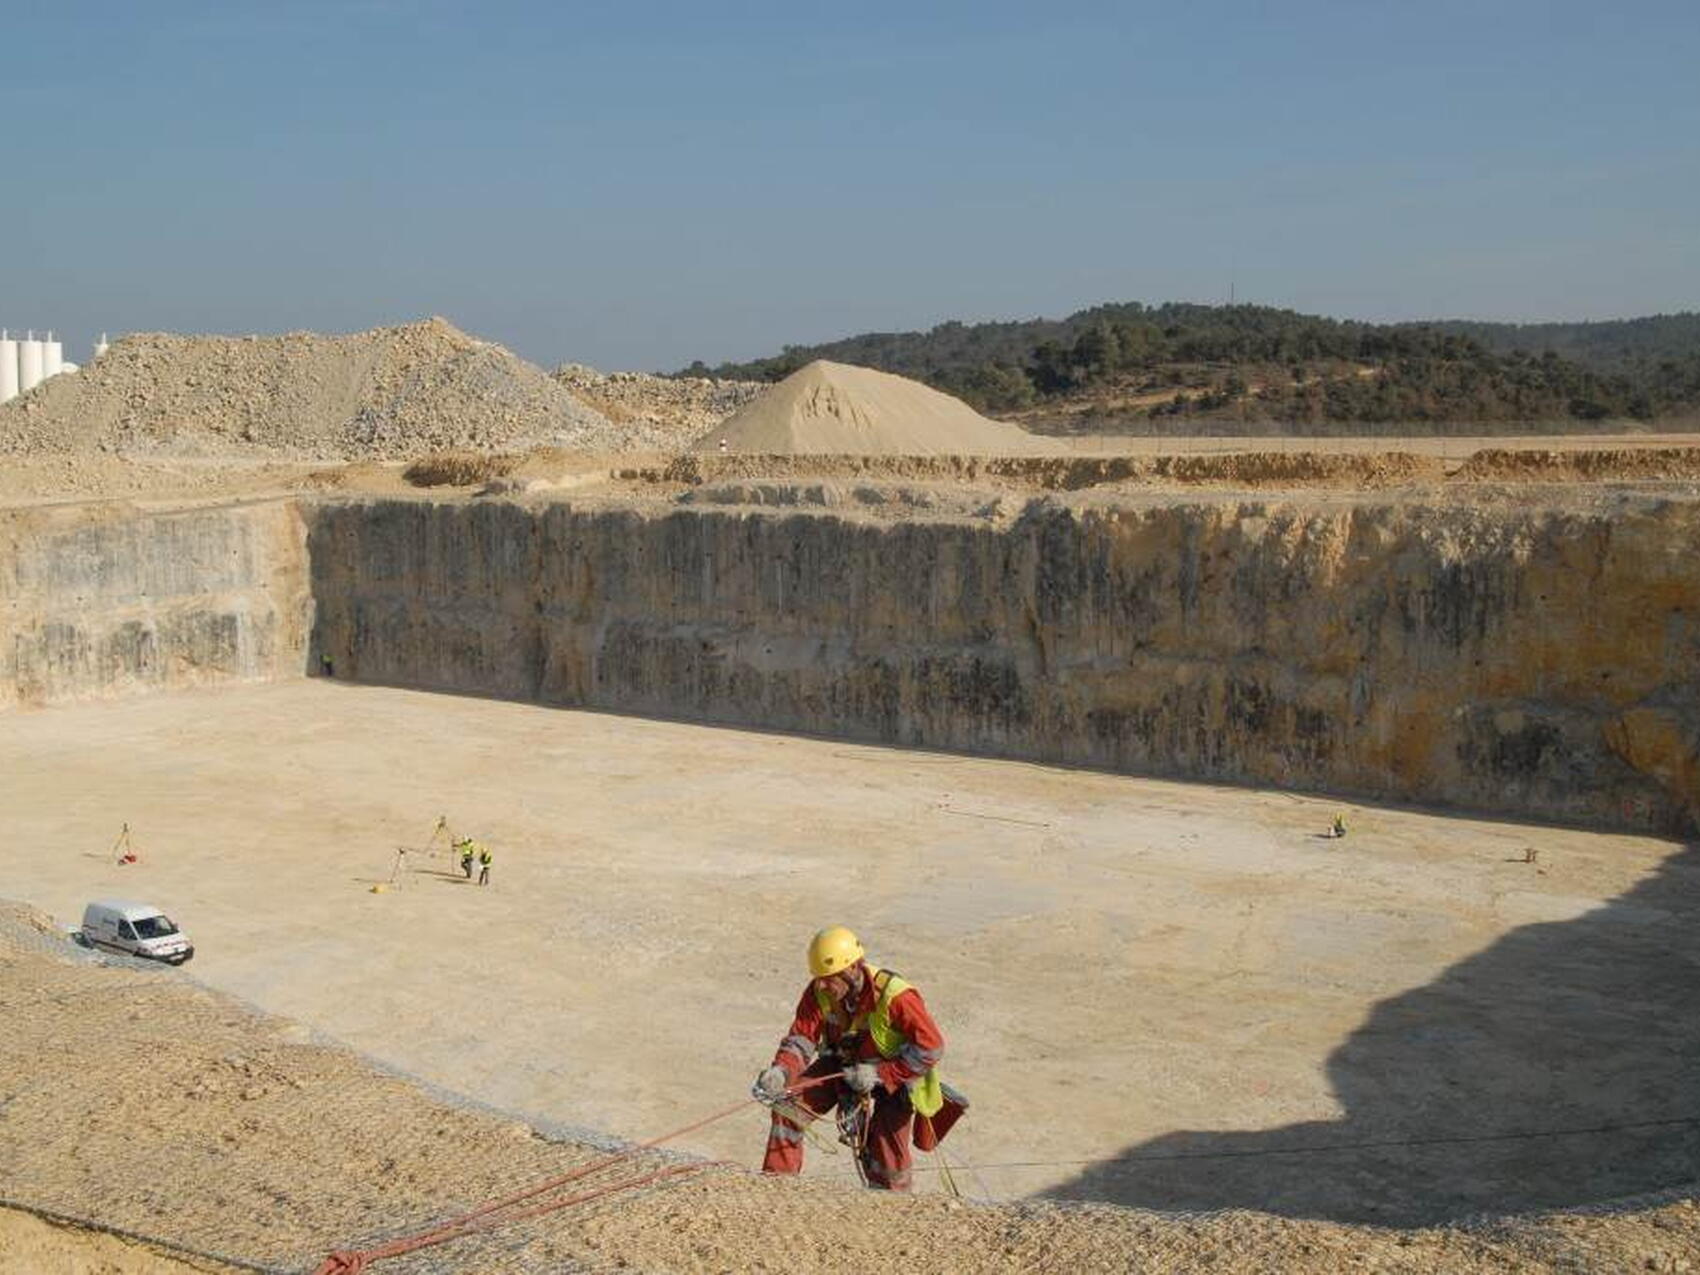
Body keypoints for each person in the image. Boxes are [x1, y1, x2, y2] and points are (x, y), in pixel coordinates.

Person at [753, 926, 966, 1191]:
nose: (821, 985)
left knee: (888, 1157)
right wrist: (781, 1072)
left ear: (852, 969)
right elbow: (801, 1038)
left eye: (829, 978)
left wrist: (881, 1075)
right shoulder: (819, 991)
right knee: (788, 1109)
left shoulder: (896, 996)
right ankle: (776, 1191)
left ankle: (891, 1211)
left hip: (895, 1078)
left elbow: (931, 1047)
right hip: (843, 1066)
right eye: (819, 978)